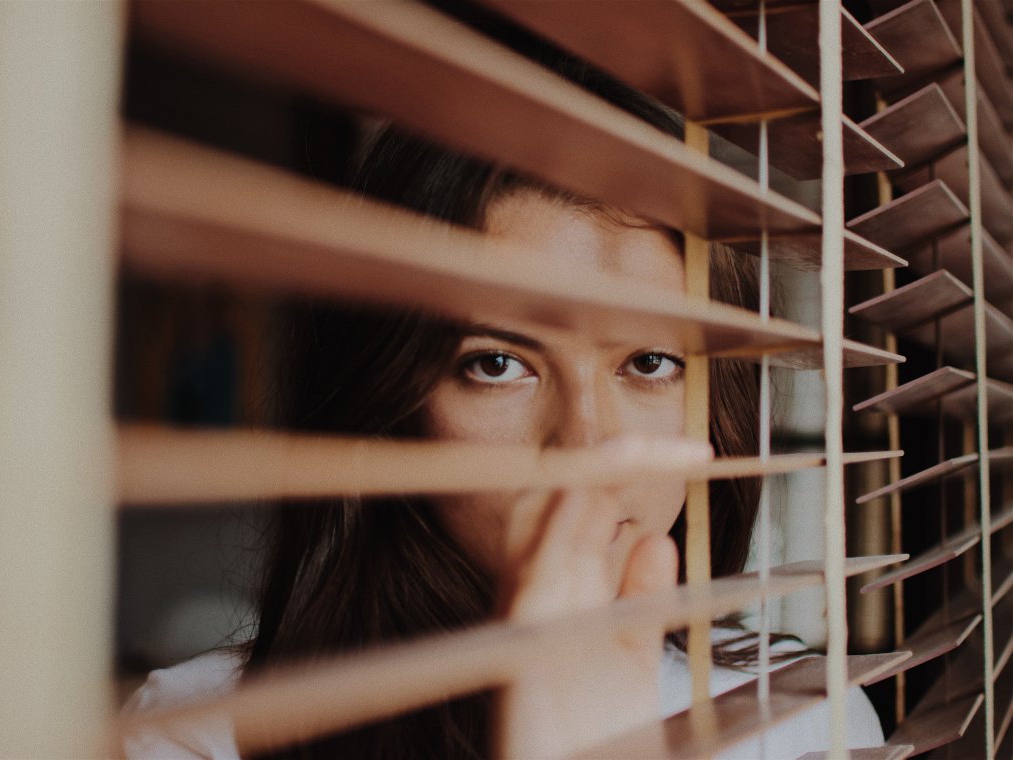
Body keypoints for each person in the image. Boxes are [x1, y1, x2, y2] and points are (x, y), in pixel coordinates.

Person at [125, 56, 885, 760]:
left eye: (650, 363)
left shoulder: (799, 722)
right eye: (497, 364)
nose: (586, 445)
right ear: (394, 404)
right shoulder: (200, 734)